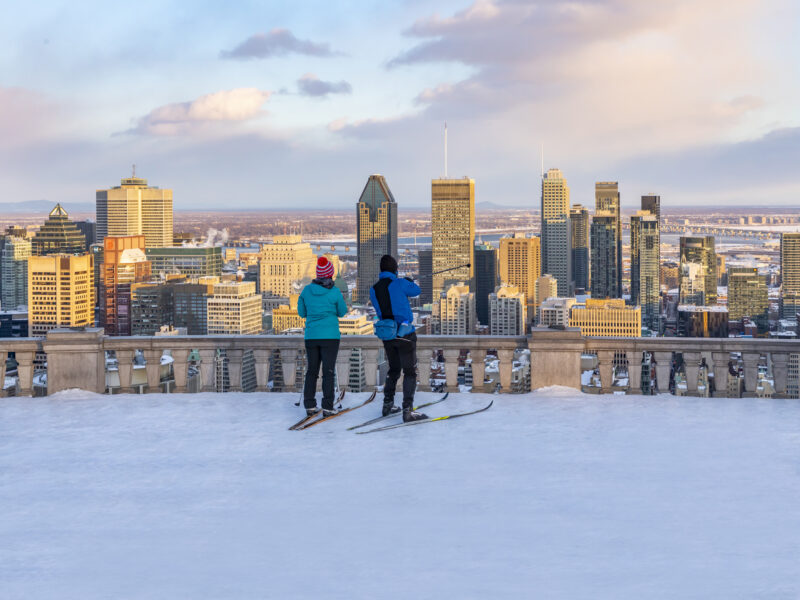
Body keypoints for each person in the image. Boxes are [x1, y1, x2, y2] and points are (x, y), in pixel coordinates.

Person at [370, 254, 428, 422]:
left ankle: (387, 405)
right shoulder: (399, 283)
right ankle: (407, 410)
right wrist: (408, 281)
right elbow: (416, 291)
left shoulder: (373, 289)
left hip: (387, 334)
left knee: (393, 370)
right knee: (409, 372)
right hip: (405, 334)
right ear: (395, 269)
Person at [297, 256, 348, 417]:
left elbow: (301, 313)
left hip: (311, 336)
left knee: (311, 371)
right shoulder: (334, 292)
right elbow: (342, 312)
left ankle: (310, 405)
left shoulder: (306, 291)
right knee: (328, 371)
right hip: (330, 337)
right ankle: (327, 406)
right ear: (330, 275)